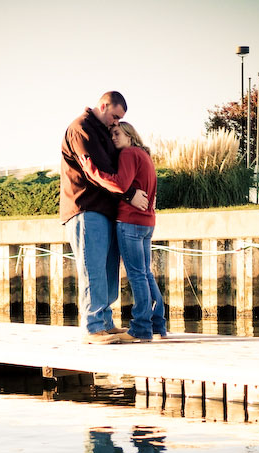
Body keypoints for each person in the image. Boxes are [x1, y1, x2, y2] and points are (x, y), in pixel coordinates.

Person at [60, 92, 148, 344]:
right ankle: (92, 327)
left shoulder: (102, 129)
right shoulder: (81, 129)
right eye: (114, 116)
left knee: (109, 269)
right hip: (87, 208)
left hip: (107, 209)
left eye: (120, 119)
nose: (116, 122)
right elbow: (95, 172)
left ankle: (106, 323)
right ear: (103, 105)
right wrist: (130, 194)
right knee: (93, 269)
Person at [79, 122, 167, 343]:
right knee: (145, 273)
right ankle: (158, 325)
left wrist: (91, 170)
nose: (113, 137)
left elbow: (120, 183)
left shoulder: (128, 154)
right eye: (111, 134)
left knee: (137, 275)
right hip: (147, 222)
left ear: (130, 135)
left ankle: (140, 329)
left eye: (117, 133)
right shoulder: (145, 155)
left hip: (129, 222)